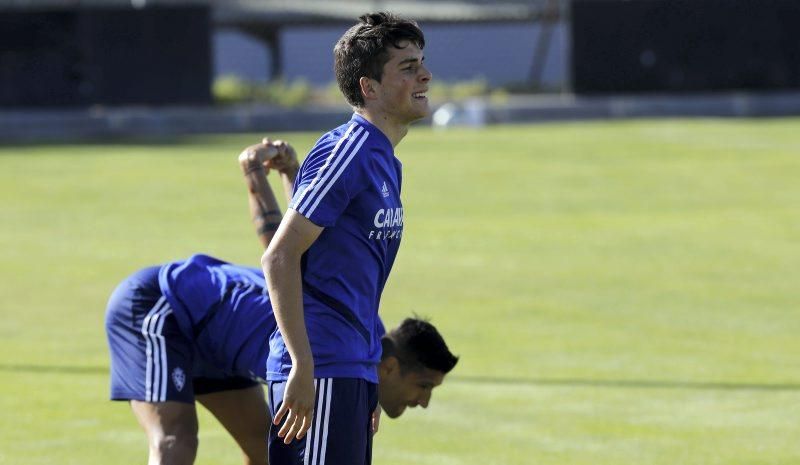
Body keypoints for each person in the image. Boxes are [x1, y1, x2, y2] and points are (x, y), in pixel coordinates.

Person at [105, 138, 457, 465]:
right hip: (161, 307)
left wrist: (290, 174)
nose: (424, 402)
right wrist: (254, 174)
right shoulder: (332, 339)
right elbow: (283, 248)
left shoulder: (361, 335)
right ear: (390, 367)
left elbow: (308, 241)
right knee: (176, 439)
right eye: (423, 386)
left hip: (216, 346)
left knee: (267, 450)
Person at [260, 12, 432, 465]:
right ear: (368, 88)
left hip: (349, 367)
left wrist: (367, 372)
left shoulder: (384, 161)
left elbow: (332, 251)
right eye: (407, 67)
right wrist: (302, 364)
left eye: (422, 62)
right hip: (322, 369)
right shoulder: (351, 149)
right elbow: (280, 256)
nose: (425, 75)